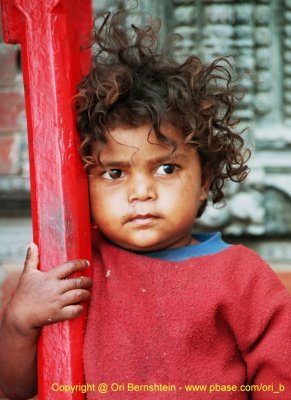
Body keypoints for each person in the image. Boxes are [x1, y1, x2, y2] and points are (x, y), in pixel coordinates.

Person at [1, 9, 291, 400]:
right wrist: (20, 323)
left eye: (167, 168)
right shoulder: (77, 269)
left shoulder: (243, 277)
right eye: (115, 173)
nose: (142, 193)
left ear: (204, 179)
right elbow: (15, 388)